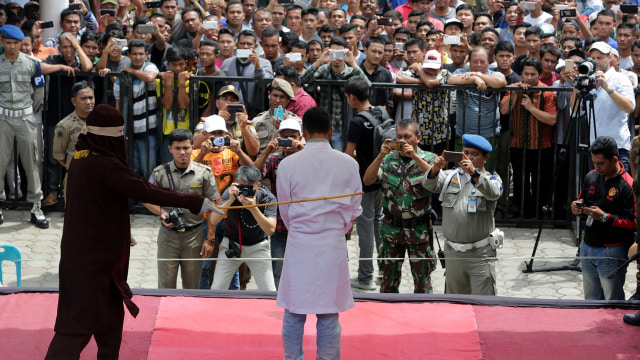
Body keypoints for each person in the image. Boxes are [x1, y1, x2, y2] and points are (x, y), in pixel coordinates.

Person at [44, 104, 221, 359]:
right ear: (109, 135)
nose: (123, 139)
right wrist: (196, 202)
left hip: (93, 256)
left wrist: (119, 231)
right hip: (91, 263)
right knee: (76, 328)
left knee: (110, 324)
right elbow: (145, 190)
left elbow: (93, 208)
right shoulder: (103, 164)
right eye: (119, 134)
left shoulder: (81, 159)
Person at [276, 107, 363, 360]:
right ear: (331, 132)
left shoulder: (288, 164)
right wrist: (336, 227)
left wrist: (304, 229)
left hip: (301, 239)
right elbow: (354, 209)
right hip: (331, 241)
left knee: (294, 310)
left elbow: (285, 209)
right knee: (326, 312)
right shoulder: (348, 163)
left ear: (303, 133)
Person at [422, 134, 503, 295]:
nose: (470, 157)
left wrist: (474, 174)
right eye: (466, 152)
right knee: (454, 305)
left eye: (475, 154)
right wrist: (435, 169)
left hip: (480, 254)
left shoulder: (491, 178)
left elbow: (494, 192)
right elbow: (429, 184)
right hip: (453, 253)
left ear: (485, 157)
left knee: (483, 305)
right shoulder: (450, 176)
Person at [363, 120, 437, 293]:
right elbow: (367, 181)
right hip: (391, 231)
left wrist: (415, 157)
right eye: (399, 137)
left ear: (418, 138)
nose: (403, 141)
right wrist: (380, 156)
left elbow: (434, 180)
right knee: (388, 285)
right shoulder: (388, 160)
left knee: (423, 286)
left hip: (418, 232)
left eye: (407, 137)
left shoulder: (429, 158)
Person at [145, 129, 221, 289]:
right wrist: (163, 213)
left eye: (186, 148)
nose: (182, 152)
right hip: (168, 237)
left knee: (192, 287)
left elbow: (212, 207)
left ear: (193, 147)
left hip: (194, 237)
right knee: (165, 287)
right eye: (178, 148)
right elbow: (146, 198)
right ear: (170, 149)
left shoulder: (204, 173)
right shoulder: (160, 173)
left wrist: (210, 239)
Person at [571, 136, 635, 301]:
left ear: (614, 160)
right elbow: (582, 198)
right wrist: (576, 207)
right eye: (594, 163)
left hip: (612, 251)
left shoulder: (628, 185)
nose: (596, 167)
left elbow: (634, 222)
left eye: (600, 163)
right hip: (587, 247)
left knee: (612, 302)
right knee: (590, 300)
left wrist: (605, 217)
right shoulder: (591, 176)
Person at [0, 24, 47, 228]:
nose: (12, 46)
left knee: (32, 162)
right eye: (8, 42)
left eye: (16, 43)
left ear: (22, 43)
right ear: (2, 42)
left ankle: (36, 207)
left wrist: (28, 111)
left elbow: (39, 92)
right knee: (0, 163)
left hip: (25, 118)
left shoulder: (31, 63)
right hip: (2, 119)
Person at [344, 77, 386, 291]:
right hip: (382, 178)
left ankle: (365, 277)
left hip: (364, 182)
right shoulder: (382, 112)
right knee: (378, 224)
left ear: (352, 97)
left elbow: (348, 155)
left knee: (366, 229)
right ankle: (384, 273)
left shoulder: (357, 122)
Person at [208, 165, 278, 291]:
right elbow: (213, 220)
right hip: (232, 245)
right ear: (235, 184)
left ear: (258, 184)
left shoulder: (268, 197)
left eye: (249, 185)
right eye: (241, 185)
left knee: (269, 291)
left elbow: (270, 230)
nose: (245, 189)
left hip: (258, 247)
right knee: (217, 288)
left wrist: (253, 208)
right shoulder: (230, 194)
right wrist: (229, 200)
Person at [254, 119, 305, 288]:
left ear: (301, 137)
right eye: (285, 138)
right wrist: (266, 151)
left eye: (292, 137)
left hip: (304, 224)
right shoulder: (274, 160)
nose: (289, 142)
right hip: (281, 225)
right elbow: (255, 177)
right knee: (278, 269)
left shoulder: (308, 158)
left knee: (304, 269)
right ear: (278, 139)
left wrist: (304, 152)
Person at [52, 80, 95, 199]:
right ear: (74, 101)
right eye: (83, 98)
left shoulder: (103, 121)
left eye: (91, 98)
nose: (88, 102)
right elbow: (59, 155)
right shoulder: (64, 126)